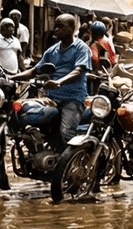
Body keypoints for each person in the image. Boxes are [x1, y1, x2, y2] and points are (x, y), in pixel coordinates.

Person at [15, 14, 90, 152]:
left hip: (73, 99)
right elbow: (35, 70)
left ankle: (70, 166)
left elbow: (78, 71)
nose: (56, 29)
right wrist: (12, 77)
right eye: (56, 26)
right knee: (24, 116)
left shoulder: (82, 48)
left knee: (66, 132)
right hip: (52, 98)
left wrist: (58, 82)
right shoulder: (52, 50)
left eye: (61, 26)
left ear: (73, 28)